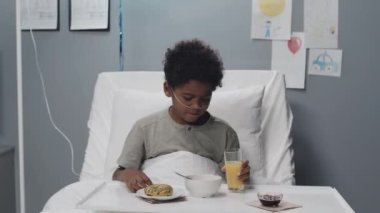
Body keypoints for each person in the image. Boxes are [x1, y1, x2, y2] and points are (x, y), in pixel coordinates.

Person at [112, 39, 250, 192]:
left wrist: (241, 176)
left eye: (205, 99)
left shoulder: (225, 134)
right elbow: (119, 173)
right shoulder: (145, 129)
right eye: (188, 98)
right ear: (167, 89)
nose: (197, 106)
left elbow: (233, 183)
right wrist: (129, 174)